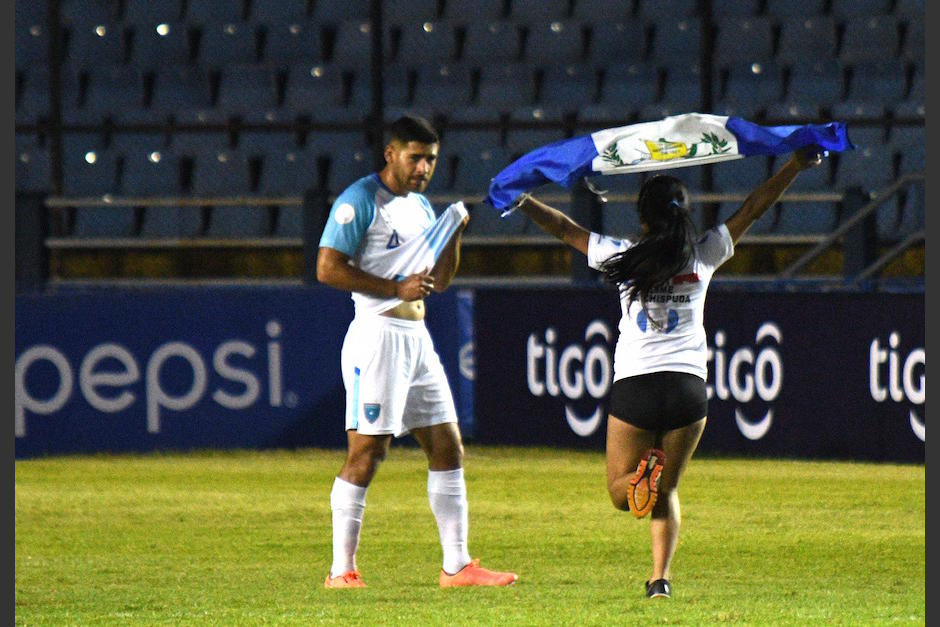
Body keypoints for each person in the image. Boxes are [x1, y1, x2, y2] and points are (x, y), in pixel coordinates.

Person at [512, 146, 825, 599]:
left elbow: (564, 228)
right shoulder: (704, 253)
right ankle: (660, 581)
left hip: (637, 385)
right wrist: (795, 165)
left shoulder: (622, 256)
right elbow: (754, 208)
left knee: (622, 494)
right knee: (668, 489)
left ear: (642, 218)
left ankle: (642, 473)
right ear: (685, 214)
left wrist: (519, 198)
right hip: (688, 390)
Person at [316, 115, 518, 589]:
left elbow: (439, 282)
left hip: (416, 337)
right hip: (378, 335)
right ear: (390, 154)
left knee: (447, 446)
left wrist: (454, 234)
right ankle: (340, 571)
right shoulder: (360, 201)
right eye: (415, 157)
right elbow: (326, 268)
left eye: (430, 158)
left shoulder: (423, 208)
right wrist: (393, 286)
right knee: (368, 451)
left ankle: (457, 566)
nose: (423, 167)